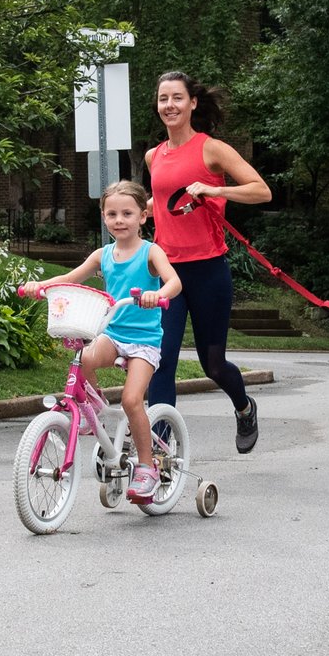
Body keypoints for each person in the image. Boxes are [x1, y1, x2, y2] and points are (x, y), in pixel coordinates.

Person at [25, 180, 182, 504]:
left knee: (131, 400)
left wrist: (158, 294)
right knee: (82, 358)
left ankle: (147, 466)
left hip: (144, 341)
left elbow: (175, 282)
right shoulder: (103, 255)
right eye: (112, 213)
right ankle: (92, 404)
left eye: (127, 213)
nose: (119, 219)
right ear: (103, 216)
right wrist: (41, 286)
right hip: (113, 332)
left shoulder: (150, 252)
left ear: (142, 216)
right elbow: (70, 278)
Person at [144, 71, 272, 454]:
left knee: (213, 364)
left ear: (192, 103)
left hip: (208, 271)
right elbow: (162, 202)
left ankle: (244, 406)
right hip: (168, 271)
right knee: (161, 360)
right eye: (163, 98)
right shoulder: (154, 156)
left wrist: (214, 188)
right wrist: (142, 211)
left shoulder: (211, 149)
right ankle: (159, 451)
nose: (169, 105)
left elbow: (261, 191)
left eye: (177, 98)